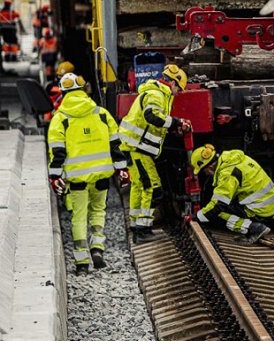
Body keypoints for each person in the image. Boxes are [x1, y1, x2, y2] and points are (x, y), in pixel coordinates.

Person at [47, 73, 130, 274]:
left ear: (63, 92)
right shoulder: (102, 114)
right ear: (84, 91)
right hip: (102, 176)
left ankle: (82, 264)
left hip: (77, 180)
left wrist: (55, 176)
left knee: (78, 217)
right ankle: (97, 249)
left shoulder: (60, 119)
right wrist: (122, 169)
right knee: (98, 211)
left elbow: (58, 153)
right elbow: (115, 145)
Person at [118, 63, 191, 240]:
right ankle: (143, 230)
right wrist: (177, 122)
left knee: (138, 186)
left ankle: (137, 226)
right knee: (152, 187)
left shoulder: (157, 93)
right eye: (178, 89)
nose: (178, 93)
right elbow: (152, 116)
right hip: (137, 148)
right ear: (172, 83)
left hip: (133, 147)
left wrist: (173, 127)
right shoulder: (157, 94)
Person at [189, 144, 274, 244]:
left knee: (219, 212)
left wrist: (197, 216)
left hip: (263, 210)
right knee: (228, 202)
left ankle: (255, 228)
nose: (206, 174)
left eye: (205, 171)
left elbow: (218, 205)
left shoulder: (227, 173)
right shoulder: (235, 158)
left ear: (211, 166)